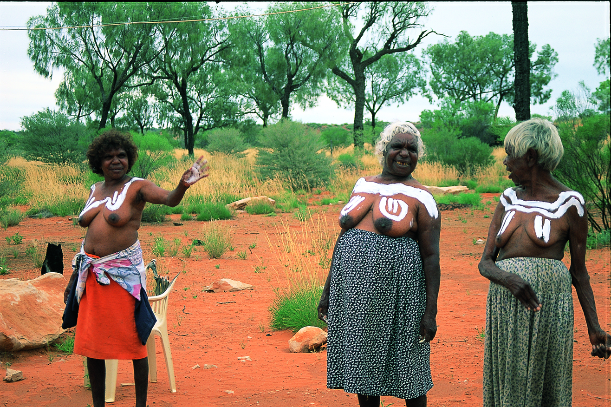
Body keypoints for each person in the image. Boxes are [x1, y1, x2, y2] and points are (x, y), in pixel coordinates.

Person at [62, 129, 208, 407]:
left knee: (134, 342)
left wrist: (182, 186)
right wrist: (73, 278)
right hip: (92, 277)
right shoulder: (95, 189)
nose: (116, 161)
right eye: (108, 157)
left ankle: (140, 404)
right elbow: (88, 240)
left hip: (122, 280)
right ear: (98, 162)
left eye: (121, 155)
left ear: (129, 158)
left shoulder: (138, 187)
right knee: (94, 348)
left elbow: (168, 199)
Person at [478, 118, 611, 406]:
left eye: (510, 154)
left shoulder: (570, 204)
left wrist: (594, 328)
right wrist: (509, 279)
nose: (505, 162)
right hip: (505, 307)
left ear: (530, 156)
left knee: (546, 382)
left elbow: (579, 273)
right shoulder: (508, 198)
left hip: (549, 308)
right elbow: (485, 263)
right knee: (508, 382)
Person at [318, 122, 440, 407]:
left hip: (400, 294)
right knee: (363, 363)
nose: (404, 153)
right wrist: (328, 291)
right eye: (397, 146)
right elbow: (343, 237)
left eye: (412, 149)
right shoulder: (362, 184)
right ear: (384, 149)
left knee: (408, 365)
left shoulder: (422, 196)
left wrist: (430, 311)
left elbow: (431, 257)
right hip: (354, 294)